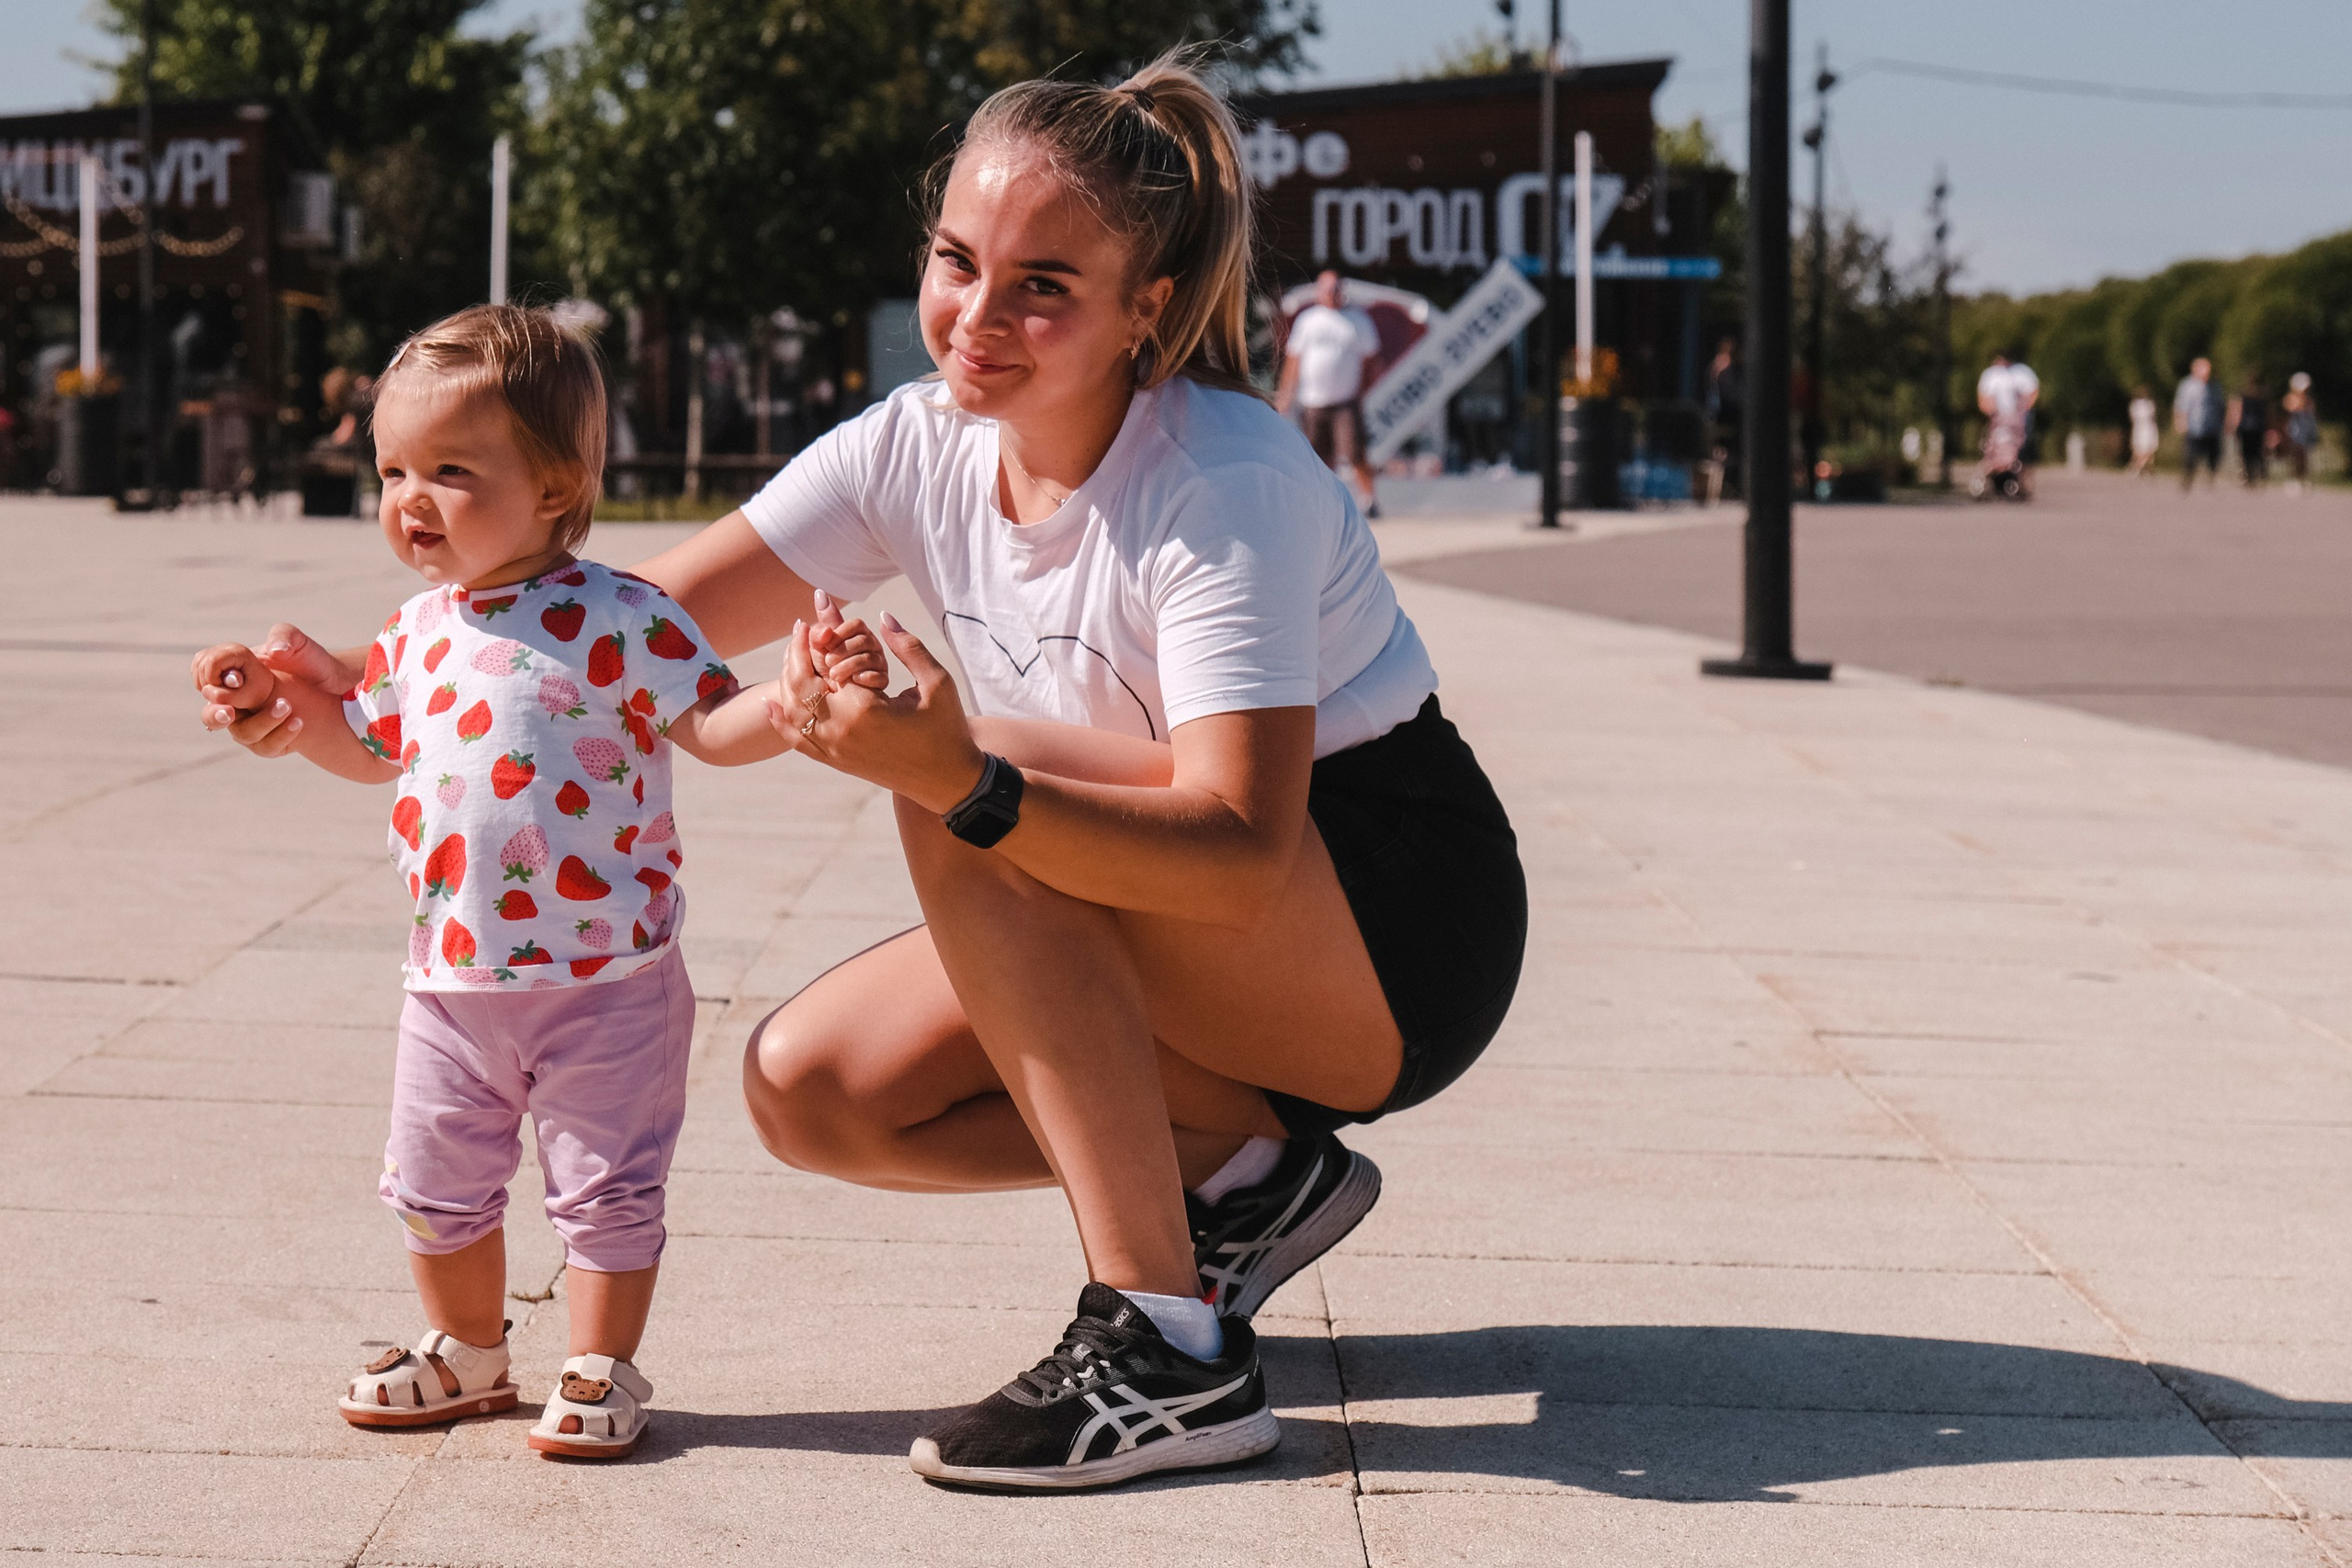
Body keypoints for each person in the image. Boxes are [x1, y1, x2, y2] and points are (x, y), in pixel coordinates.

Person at [192, 55, 1527, 1493]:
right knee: (812, 1089)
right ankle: (1246, 1173)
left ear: (1146, 306)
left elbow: (1244, 843)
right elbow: (615, 621)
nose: (979, 313)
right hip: (1192, 915)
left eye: (1043, 285)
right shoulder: (919, 442)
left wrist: (967, 778)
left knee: (957, 766)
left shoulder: (1225, 480)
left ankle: (1169, 1343)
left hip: (1386, 926)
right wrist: (356, 677)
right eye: (958, 260)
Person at [187, 306, 883, 1461]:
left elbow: (710, 727)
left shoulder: (622, 617)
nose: (411, 499)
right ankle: (466, 1350)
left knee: (604, 1190)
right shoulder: (412, 634)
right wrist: (288, 707)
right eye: (393, 469)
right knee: (434, 1180)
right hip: (451, 980)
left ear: (558, 489)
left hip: (608, 978)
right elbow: (369, 749)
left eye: (451, 471)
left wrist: (797, 705)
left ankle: (600, 1363)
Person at [1277, 268, 1382, 516]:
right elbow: (1294, 361)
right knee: (1317, 457)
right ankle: (1323, 503)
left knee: (1355, 452)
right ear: (1318, 291)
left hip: (1345, 401)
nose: (1331, 294)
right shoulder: (1308, 321)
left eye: (1335, 289)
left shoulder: (1358, 321)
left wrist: (1361, 391)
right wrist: (1285, 395)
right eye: (1327, 289)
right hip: (1313, 401)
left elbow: (1371, 361)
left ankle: (1369, 500)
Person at [1977, 351, 2041, 497]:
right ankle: (1996, 477)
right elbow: (1983, 399)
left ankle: (2024, 482)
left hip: (2019, 420)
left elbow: (2033, 392)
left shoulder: (2022, 372)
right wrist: (1991, 411)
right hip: (1998, 421)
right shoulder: (1990, 375)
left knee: (2024, 450)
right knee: (1994, 446)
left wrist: (2023, 409)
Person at [1703, 336, 1745, 502]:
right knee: (1727, 453)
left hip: (1719, 417)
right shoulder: (1725, 371)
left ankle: (1725, 487)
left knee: (1723, 453)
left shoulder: (1716, 368)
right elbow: (1728, 398)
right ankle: (1726, 487)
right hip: (1724, 418)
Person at [2175, 356, 2223, 491]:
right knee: (2190, 456)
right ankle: (2187, 479)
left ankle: (2211, 479)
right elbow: (2181, 405)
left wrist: (2222, 423)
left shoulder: (2215, 386)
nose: (2207, 372)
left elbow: (2220, 406)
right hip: (2193, 426)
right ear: (2195, 369)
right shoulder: (2187, 385)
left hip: (2212, 426)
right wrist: (2180, 422)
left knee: (2214, 455)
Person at [2281, 371, 2319, 494]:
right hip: (2294, 432)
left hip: (2306, 431)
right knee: (2294, 456)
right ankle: (2295, 479)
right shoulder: (2290, 398)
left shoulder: (2309, 400)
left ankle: (2305, 479)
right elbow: (2292, 408)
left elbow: (2311, 413)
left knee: (2305, 456)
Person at [2127, 386, 2161, 479]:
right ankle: (2139, 468)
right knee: (2144, 450)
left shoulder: (2136, 405)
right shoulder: (2148, 405)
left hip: (2142, 428)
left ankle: (2143, 469)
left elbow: (2132, 418)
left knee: (2144, 450)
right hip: (2145, 428)